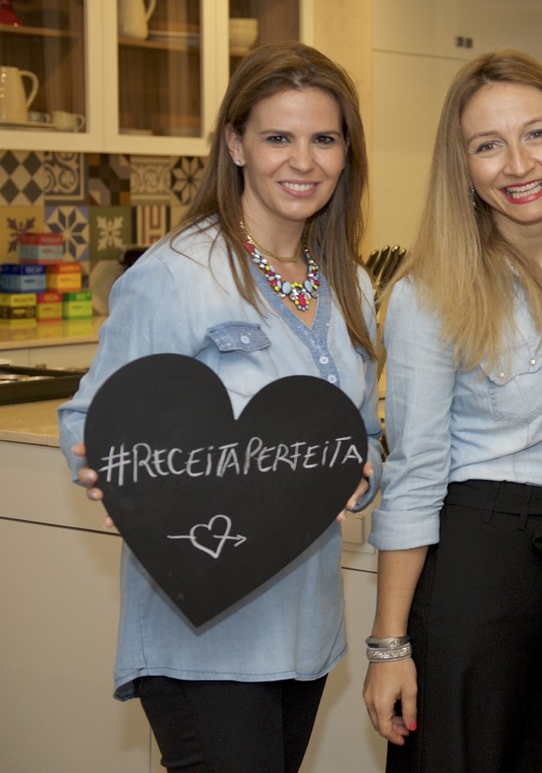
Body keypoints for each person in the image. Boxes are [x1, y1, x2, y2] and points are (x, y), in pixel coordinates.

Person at [58, 42, 382, 772]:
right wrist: (120, 479)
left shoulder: (351, 287)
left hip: (304, 633)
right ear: (236, 144)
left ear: (346, 152)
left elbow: (361, 433)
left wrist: (361, 473)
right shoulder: (177, 275)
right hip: (201, 637)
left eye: (324, 139)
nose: (303, 161)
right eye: (278, 137)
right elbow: (90, 418)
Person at [362, 50, 542, 772]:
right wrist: (389, 645)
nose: (518, 164)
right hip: (475, 571)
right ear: (462, 164)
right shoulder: (430, 291)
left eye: (537, 134)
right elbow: (415, 470)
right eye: (487, 145)